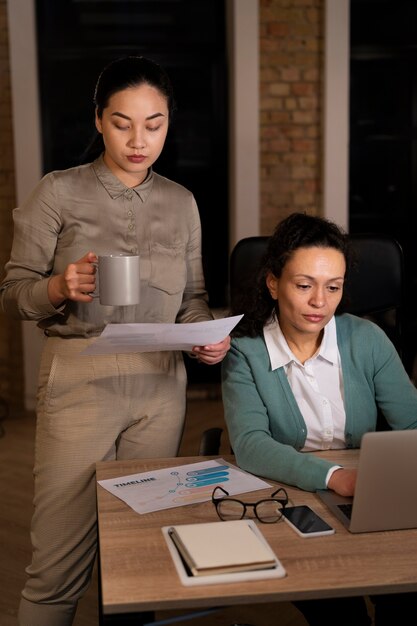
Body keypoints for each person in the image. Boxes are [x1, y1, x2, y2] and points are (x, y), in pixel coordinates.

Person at [0, 55, 230, 626]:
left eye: (154, 124)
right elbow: (11, 293)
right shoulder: (58, 192)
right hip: (82, 380)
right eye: (123, 122)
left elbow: (193, 297)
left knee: (138, 560)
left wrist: (205, 338)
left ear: (169, 123)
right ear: (99, 120)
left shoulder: (182, 202)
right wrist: (57, 286)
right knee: (57, 567)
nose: (139, 139)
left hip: (161, 385)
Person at [221, 212, 417, 625]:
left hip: (367, 492)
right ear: (273, 283)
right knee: (340, 608)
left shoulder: (367, 339)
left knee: (404, 590)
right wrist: (333, 477)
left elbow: (412, 425)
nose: (319, 302)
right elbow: (251, 444)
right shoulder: (244, 350)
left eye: (333, 288)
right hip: (288, 495)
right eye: (304, 285)